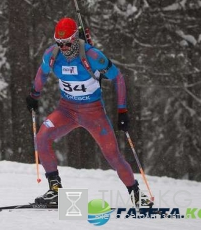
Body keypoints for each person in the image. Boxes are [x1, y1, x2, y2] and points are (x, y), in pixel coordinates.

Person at [25, 17, 152, 208]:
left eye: (67, 43)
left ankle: (136, 195)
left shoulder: (92, 56)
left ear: (75, 38)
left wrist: (122, 111)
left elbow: (117, 77)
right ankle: (56, 191)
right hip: (66, 110)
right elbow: (42, 73)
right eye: (59, 43)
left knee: (113, 156)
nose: (64, 47)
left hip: (93, 114)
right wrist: (34, 95)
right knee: (42, 137)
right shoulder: (52, 54)